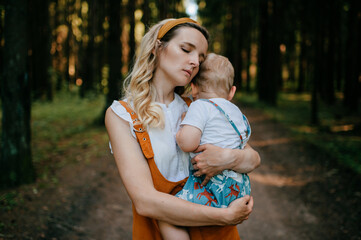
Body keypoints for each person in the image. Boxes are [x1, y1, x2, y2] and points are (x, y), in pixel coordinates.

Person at [105, 18, 260, 239]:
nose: (195, 62)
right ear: (157, 48)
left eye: (201, 57)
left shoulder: (200, 107)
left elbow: (253, 158)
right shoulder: (122, 115)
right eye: (186, 49)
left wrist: (227, 158)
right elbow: (145, 202)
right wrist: (225, 215)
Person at [158, 53, 252, 239]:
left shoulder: (200, 106)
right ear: (232, 92)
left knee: (166, 217)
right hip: (240, 189)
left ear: (193, 88)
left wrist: (180, 131)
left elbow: (188, 144)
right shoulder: (237, 113)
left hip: (211, 187)